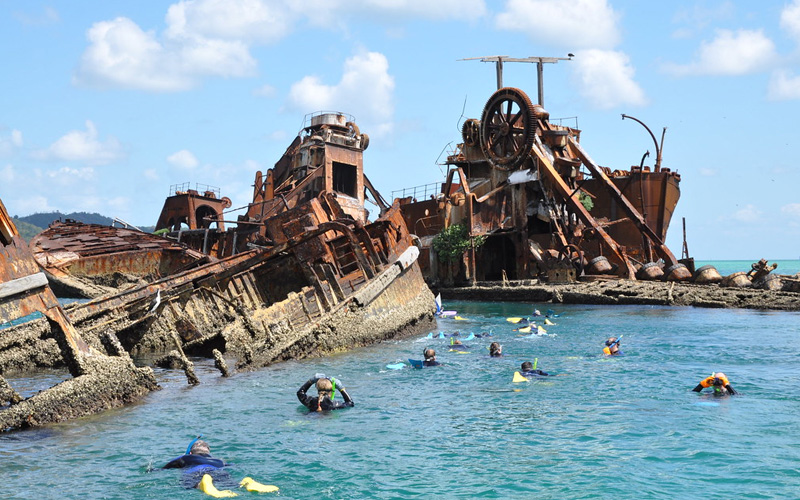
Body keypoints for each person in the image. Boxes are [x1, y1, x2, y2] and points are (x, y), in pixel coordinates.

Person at [163, 438, 278, 495]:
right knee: (234, 485)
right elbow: (232, 466)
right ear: (208, 451)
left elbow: (164, 468)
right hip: (218, 471)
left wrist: (151, 469)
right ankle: (247, 482)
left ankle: (203, 483)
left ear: (191, 453)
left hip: (197, 472)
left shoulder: (186, 458)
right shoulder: (220, 461)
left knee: (193, 484)